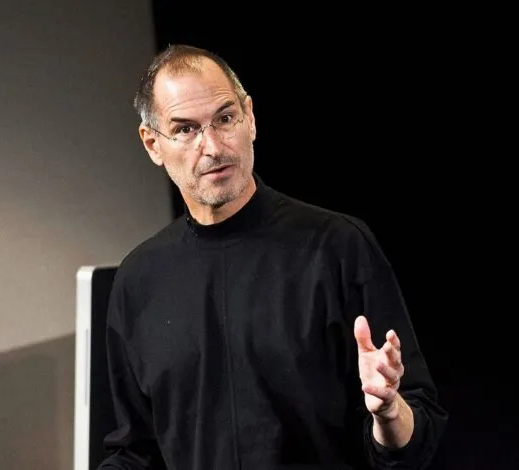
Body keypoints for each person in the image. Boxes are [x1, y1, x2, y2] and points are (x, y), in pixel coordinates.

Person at [98, 44, 448, 470]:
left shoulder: (336, 246)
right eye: (186, 129)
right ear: (152, 144)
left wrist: (389, 411)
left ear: (251, 118)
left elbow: (418, 429)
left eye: (225, 119)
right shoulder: (139, 280)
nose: (212, 147)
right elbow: (135, 452)